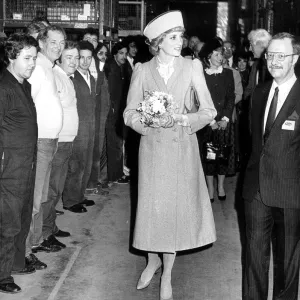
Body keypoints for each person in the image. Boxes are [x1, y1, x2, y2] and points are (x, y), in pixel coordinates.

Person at [124, 11, 217, 300]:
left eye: (181, 36)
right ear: (159, 42)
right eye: (174, 37)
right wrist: (145, 123)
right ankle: (152, 260)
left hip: (181, 150)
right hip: (151, 151)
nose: (181, 42)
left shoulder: (192, 67)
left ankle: (167, 275)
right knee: (153, 211)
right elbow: (128, 115)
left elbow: (209, 111)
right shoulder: (141, 70)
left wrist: (183, 119)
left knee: (173, 213)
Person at [242, 32, 300, 300]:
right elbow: (254, 142)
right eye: (271, 55)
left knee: (288, 263)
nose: (274, 61)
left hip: (291, 192)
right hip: (256, 192)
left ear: (295, 58)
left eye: (282, 56)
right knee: (254, 259)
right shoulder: (259, 93)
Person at [0, 33, 38, 294]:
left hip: (26, 163)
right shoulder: (4, 86)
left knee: (22, 217)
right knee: (8, 223)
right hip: (10, 167)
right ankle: (1, 275)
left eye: (35, 58)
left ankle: (14, 263)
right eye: (27, 58)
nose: (32, 63)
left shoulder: (24, 84)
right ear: (11, 57)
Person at [26, 25, 66, 256]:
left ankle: (36, 241)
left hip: (50, 141)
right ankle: (26, 252)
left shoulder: (48, 67)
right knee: (34, 199)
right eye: (53, 42)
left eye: (62, 43)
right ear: (41, 43)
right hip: (40, 142)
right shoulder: (38, 68)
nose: (58, 48)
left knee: (40, 198)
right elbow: (26, 105)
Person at [44, 41, 80, 238]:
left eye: (76, 57)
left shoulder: (65, 77)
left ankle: (50, 227)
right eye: (69, 57)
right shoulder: (56, 77)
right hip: (59, 141)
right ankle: (46, 232)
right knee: (52, 189)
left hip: (66, 141)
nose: (74, 62)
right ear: (59, 58)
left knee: (56, 189)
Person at [198, 37, 235, 202]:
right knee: (209, 156)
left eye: (221, 54)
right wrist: (211, 121)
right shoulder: (201, 75)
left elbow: (230, 97)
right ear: (208, 57)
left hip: (224, 122)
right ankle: (210, 188)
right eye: (217, 54)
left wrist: (226, 118)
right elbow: (200, 99)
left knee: (223, 155)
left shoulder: (228, 73)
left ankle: (220, 186)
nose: (221, 57)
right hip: (208, 123)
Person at [62, 41, 96, 213]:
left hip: (90, 127)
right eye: (80, 57)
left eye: (88, 58)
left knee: (87, 163)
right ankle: (70, 200)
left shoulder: (91, 76)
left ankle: (80, 195)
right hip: (78, 127)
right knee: (76, 164)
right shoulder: (73, 77)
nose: (84, 61)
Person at [105, 42, 130, 185]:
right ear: (115, 53)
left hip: (121, 111)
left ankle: (118, 173)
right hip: (113, 112)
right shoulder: (111, 68)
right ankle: (114, 175)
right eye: (121, 53)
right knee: (114, 144)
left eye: (125, 54)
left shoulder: (123, 67)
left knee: (119, 143)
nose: (124, 56)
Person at [243, 29, 272, 102]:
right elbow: (249, 89)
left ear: (260, 44)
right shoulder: (255, 65)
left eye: (251, 45)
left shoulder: (273, 65)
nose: (249, 49)